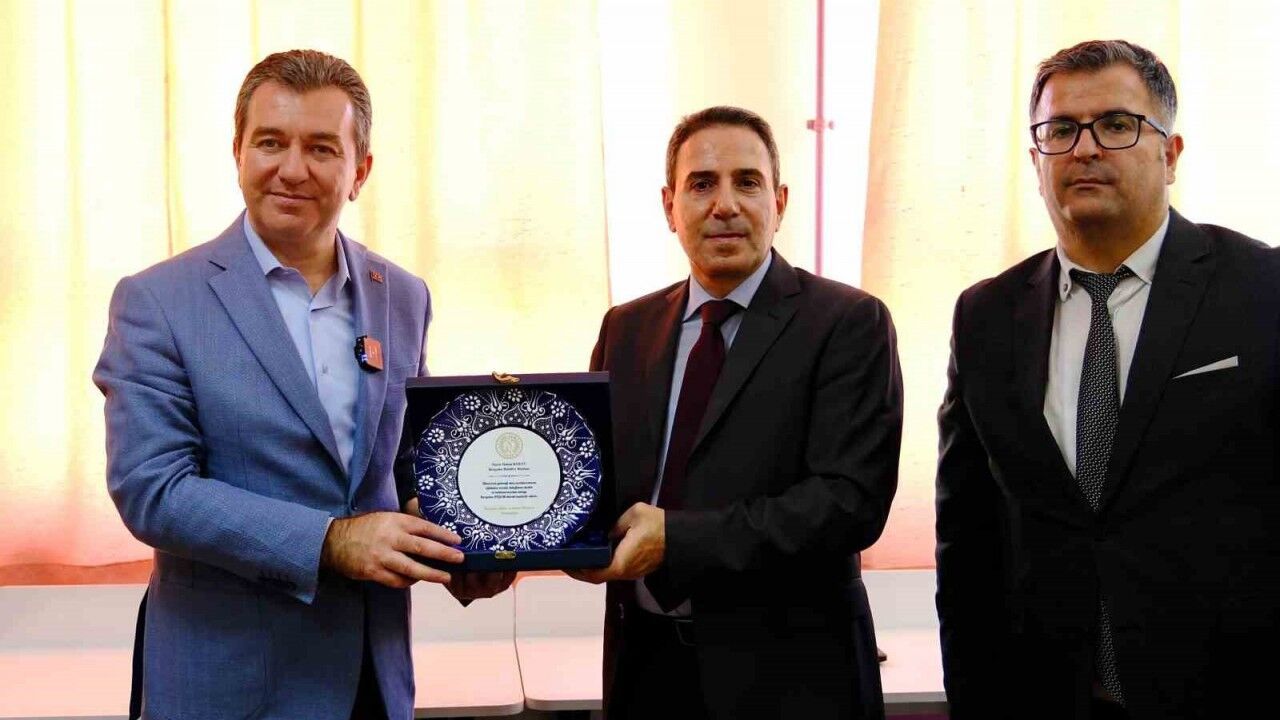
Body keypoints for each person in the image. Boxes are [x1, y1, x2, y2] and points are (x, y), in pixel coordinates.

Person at [94, 49, 506, 720]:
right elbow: (153, 491)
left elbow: (407, 465)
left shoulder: (403, 295)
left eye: (320, 148)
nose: (292, 169)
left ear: (359, 171)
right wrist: (332, 541)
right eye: (270, 142)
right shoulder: (158, 302)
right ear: (237, 153)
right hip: (229, 686)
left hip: (372, 681)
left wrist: (470, 545)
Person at [935, 39, 1280, 719]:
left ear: (1170, 155)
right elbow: (968, 540)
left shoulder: (1262, 289)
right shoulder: (986, 316)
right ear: (1036, 161)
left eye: (1117, 125)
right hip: (1044, 696)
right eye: (1061, 129)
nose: (1085, 148)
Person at [571, 105, 903, 719]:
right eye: (702, 184)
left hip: (792, 685)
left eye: (746, 182)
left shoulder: (847, 323)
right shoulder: (627, 328)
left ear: (779, 201)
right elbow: (595, 482)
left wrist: (677, 539)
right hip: (646, 673)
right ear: (669, 206)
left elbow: (848, 504)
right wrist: (517, 540)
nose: (724, 205)